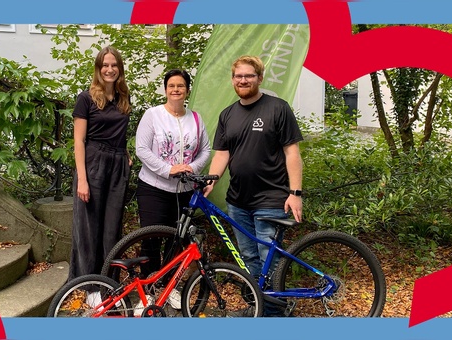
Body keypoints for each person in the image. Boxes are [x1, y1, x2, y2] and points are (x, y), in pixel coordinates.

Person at [204, 55, 303, 315]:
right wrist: (212, 180)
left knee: (268, 259)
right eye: (239, 76)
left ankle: (272, 315)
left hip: (271, 199)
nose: (243, 80)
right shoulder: (227, 115)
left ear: (260, 78)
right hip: (238, 201)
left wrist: (295, 193)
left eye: (249, 76)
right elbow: (222, 154)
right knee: (249, 259)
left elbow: (292, 153)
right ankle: (261, 308)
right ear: (232, 80)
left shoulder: (278, 108)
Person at [134, 69, 211, 313]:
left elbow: (206, 150)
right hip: (154, 188)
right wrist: (169, 169)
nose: (176, 89)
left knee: (177, 241)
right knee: (151, 239)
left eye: (181, 85)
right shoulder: (152, 115)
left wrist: (191, 167)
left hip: (184, 190)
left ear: (187, 90)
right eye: (171, 86)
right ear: (165, 89)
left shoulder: (196, 118)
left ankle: (171, 287)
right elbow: (141, 149)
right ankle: (147, 292)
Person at [69, 46, 133, 288]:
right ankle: (89, 286)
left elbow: (120, 131)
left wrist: (125, 152)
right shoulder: (86, 98)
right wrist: (82, 179)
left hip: (117, 166)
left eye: (114, 65)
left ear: (120, 69)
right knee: (89, 229)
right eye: (105, 65)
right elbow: (79, 140)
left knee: (111, 230)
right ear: (98, 69)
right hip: (93, 165)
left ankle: (108, 283)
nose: (109, 69)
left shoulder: (123, 97)